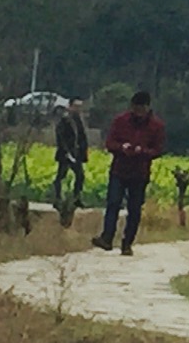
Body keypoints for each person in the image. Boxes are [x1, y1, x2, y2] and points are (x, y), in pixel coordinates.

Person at [98, 90, 167, 254]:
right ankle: (107, 238)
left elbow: (158, 150)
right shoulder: (120, 121)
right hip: (119, 169)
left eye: (141, 109)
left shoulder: (157, 126)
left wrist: (142, 151)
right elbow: (110, 143)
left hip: (139, 173)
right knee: (113, 203)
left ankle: (127, 243)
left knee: (134, 209)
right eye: (135, 109)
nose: (138, 113)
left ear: (147, 108)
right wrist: (121, 147)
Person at [50, 97, 92, 225]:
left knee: (80, 175)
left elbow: (82, 136)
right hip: (66, 153)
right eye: (76, 106)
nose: (78, 109)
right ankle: (57, 197)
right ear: (70, 106)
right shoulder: (65, 119)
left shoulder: (78, 119)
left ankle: (76, 197)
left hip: (76, 153)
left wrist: (83, 152)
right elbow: (60, 137)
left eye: (80, 107)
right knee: (61, 175)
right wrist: (66, 151)